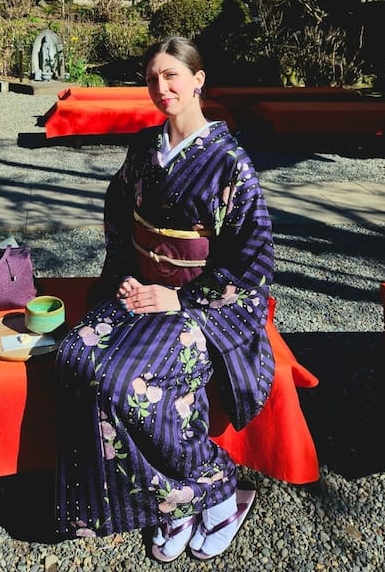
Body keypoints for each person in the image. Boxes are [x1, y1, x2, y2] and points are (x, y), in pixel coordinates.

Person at [54, 36, 275, 562]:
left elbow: (253, 256)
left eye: (172, 75)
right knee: (73, 357)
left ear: (198, 80)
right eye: (153, 78)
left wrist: (183, 299)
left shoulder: (230, 163)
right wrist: (125, 276)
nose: (162, 87)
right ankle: (174, 501)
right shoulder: (144, 148)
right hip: (141, 288)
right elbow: (119, 213)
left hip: (199, 305)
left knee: (129, 383)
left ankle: (219, 490)